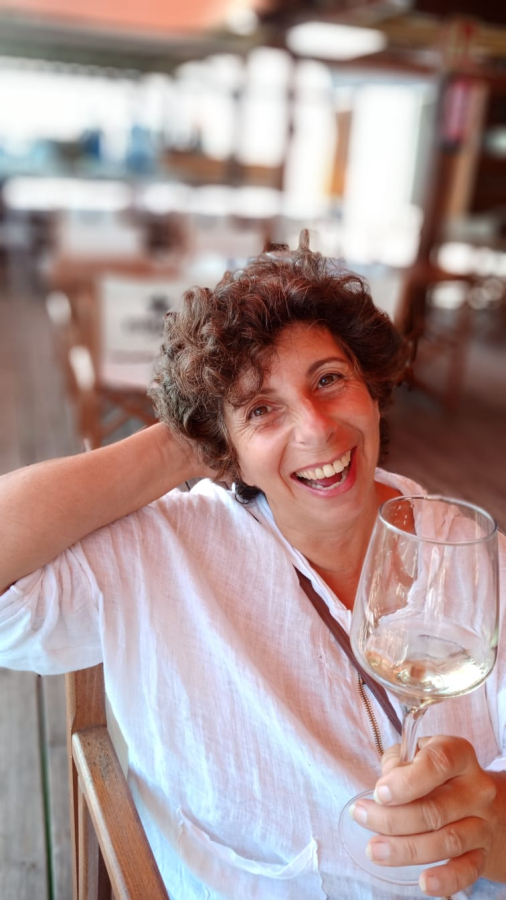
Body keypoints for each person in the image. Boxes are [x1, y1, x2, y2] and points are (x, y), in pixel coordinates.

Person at [1, 232, 505, 900]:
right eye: (262, 409)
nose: (317, 428)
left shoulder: (471, 552)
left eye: (329, 380)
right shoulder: (165, 551)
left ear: (372, 386)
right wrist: (191, 436)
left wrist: (492, 826)